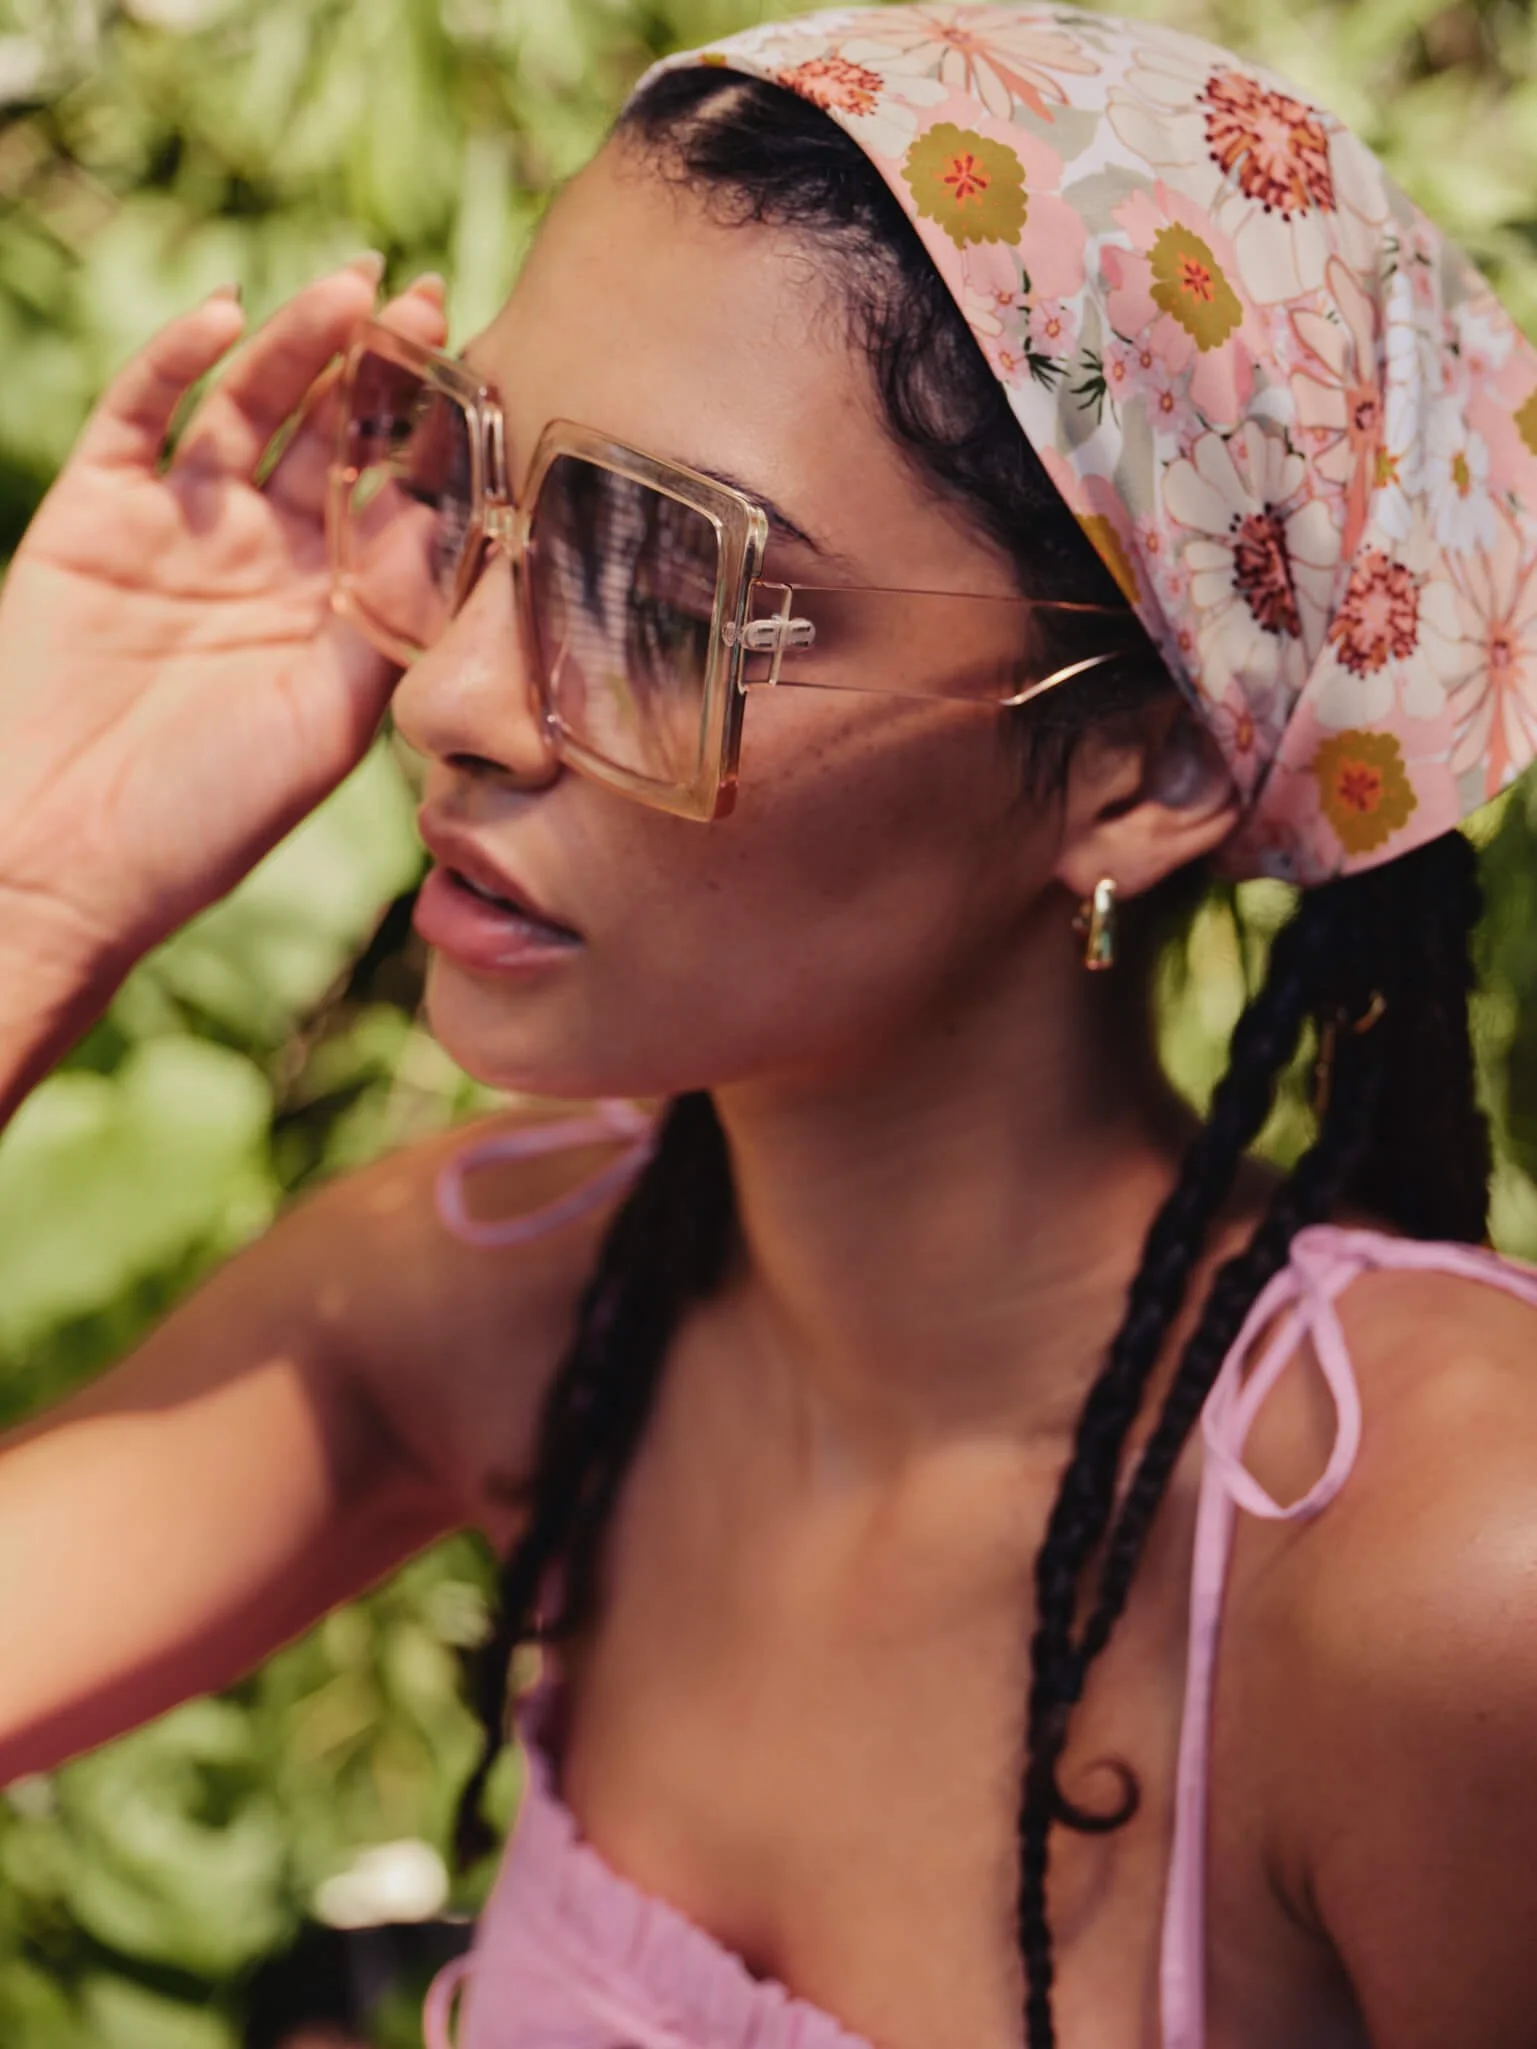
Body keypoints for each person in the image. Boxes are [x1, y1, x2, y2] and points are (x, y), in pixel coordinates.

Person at [4, 5, 1537, 2045]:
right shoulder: (523, 1294)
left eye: (664, 589)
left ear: (1145, 763)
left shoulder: (1442, 1583)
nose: (453, 695)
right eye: (473, 484)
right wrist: (37, 880)